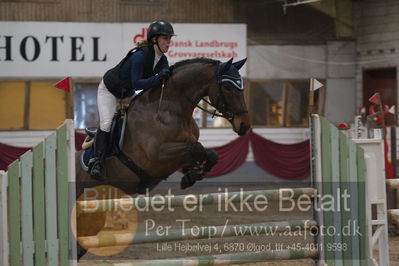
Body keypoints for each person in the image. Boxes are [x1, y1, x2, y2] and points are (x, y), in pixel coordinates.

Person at [89, 20, 175, 180]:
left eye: (170, 39)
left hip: (126, 94)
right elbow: (137, 83)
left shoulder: (163, 61)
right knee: (107, 123)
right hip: (109, 90)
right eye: (165, 38)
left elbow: (163, 83)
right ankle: (97, 162)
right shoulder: (140, 56)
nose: (169, 42)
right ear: (154, 39)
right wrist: (157, 79)